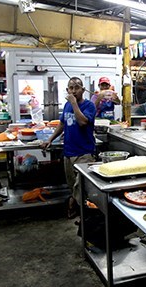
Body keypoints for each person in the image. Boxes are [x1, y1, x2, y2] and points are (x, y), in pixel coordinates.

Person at [42, 77, 96, 218]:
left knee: (83, 187)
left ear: (83, 90)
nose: (73, 91)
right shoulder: (66, 106)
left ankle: (84, 217)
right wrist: (50, 139)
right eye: (71, 88)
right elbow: (61, 124)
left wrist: (74, 104)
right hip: (69, 152)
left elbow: (83, 122)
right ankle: (78, 210)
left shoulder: (89, 106)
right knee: (73, 186)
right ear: (67, 90)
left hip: (84, 153)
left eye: (77, 87)